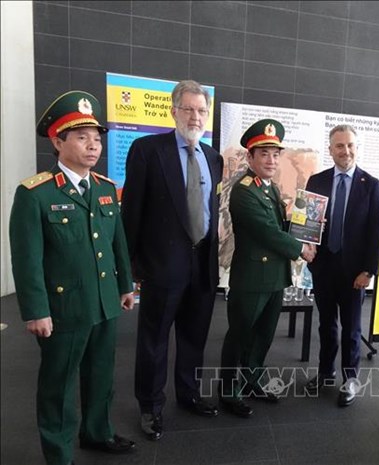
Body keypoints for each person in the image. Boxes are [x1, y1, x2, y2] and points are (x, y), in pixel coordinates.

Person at [9, 90, 136, 465]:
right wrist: (35, 310)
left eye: (97, 139)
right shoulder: (35, 194)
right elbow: (27, 259)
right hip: (63, 308)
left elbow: (118, 245)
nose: (93, 146)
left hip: (104, 301)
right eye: (82, 137)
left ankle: (97, 433)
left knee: (101, 376)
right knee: (59, 386)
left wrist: (125, 286)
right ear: (58, 141)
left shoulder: (105, 189)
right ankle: (59, 453)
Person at [121, 80, 223, 441]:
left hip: (203, 265)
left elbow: (209, 211)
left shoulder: (213, 157)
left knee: (195, 337)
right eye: (189, 109)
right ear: (173, 111)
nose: (195, 116)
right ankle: (150, 406)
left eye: (201, 110)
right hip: (162, 266)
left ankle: (189, 394)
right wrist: (129, 269)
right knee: (154, 340)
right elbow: (131, 212)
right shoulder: (148, 150)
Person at [219, 119, 316, 417]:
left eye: (275, 154)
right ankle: (228, 391)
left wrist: (308, 227)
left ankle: (252, 381)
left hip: (274, 276)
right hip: (251, 278)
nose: (271, 160)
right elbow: (267, 232)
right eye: (264, 154)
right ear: (250, 157)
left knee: (263, 336)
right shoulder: (244, 191)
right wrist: (301, 247)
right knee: (240, 335)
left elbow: (280, 226)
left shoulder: (269, 188)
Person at [304, 124, 379, 407]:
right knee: (326, 325)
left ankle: (350, 379)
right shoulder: (316, 181)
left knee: (352, 328)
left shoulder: (372, 185)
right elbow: (306, 225)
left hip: (355, 274)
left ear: (357, 147)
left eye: (350, 145)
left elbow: (377, 233)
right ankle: (325, 373)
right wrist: (306, 245)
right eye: (340, 146)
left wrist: (369, 271)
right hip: (324, 267)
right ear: (331, 150)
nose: (346, 151)